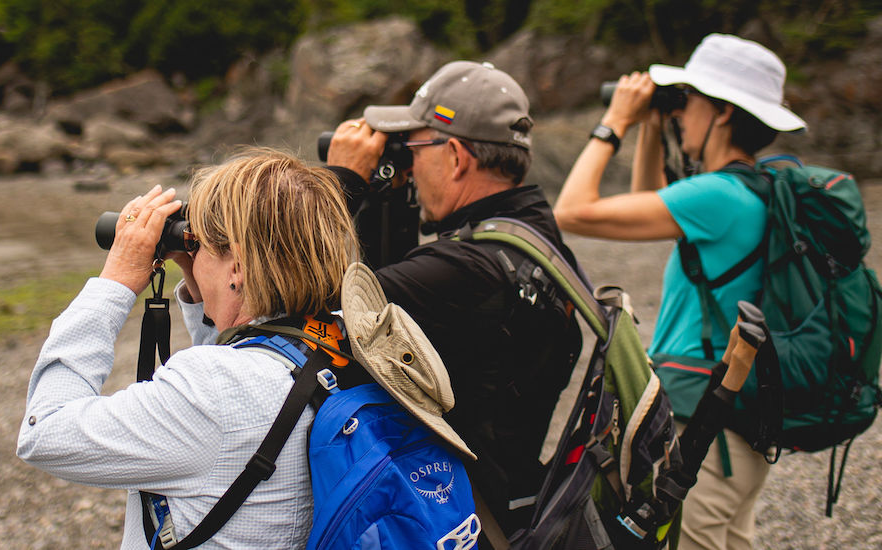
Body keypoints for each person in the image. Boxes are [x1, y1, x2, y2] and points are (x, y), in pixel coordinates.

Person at [16, 148, 358, 550]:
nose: (193, 257)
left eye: (200, 248)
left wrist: (115, 281)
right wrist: (194, 275)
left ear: (238, 268)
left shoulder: (215, 387)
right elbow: (254, 358)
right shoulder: (341, 340)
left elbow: (45, 432)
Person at [552, 33, 807, 550]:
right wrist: (652, 127)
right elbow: (650, 202)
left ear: (722, 113)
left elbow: (572, 211)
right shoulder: (746, 190)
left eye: (688, 98)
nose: (681, 109)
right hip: (738, 423)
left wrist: (615, 122)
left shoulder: (715, 196)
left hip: (707, 432)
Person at [324, 60, 583, 537]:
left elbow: (311, 309)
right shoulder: (536, 237)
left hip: (456, 519)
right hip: (511, 499)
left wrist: (341, 182)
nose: (410, 164)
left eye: (414, 148)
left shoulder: (465, 271)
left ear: (458, 156)